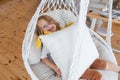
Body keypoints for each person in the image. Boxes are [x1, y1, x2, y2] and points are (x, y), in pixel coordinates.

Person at [36, 15, 120, 80]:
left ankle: (118, 69)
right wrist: (55, 68)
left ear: (53, 21)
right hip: (72, 66)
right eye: (44, 27)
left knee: (99, 63)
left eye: (49, 22)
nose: (48, 26)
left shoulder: (66, 30)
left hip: (82, 56)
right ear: (42, 32)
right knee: (95, 75)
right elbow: (43, 57)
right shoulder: (49, 40)